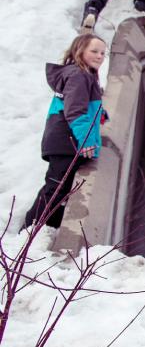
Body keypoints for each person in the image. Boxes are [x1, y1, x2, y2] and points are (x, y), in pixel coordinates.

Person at [22, 34, 108, 231]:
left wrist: (100, 115)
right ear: (80, 51)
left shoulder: (82, 74)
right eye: (94, 51)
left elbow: (74, 105)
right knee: (55, 190)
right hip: (66, 142)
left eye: (103, 53)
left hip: (65, 140)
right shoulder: (79, 76)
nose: (99, 56)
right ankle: (29, 232)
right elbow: (75, 111)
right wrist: (86, 140)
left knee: (60, 190)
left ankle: (46, 229)